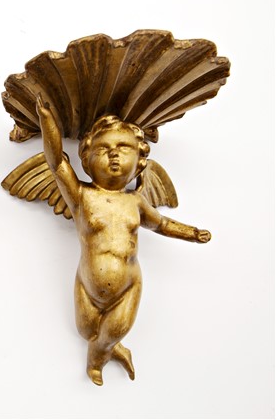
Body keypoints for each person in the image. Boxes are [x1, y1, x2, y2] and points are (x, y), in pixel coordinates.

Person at [36, 95, 211, 386]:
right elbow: (56, 163)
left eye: (123, 148)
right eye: (103, 149)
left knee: (111, 332)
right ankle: (111, 348)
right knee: (86, 330)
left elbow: (162, 224)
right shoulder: (81, 197)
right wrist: (46, 119)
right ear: (87, 160)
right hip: (86, 282)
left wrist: (191, 233)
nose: (114, 155)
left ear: (140, 163)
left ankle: (96, 362)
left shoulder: (135, 202)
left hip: (128, 285)